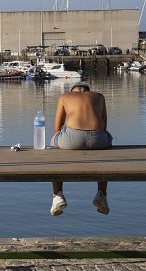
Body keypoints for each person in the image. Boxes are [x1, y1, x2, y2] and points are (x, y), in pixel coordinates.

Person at [49, 82, 113, 216]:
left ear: (73, 91)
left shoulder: (65, 97)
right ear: (88, 91)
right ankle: (102, 195)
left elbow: (56, 128)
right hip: (99, 140)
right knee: (104, 152)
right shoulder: (99, 97)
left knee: (54, 146)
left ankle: (57, 195)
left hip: (72, 140)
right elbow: (104, 125)